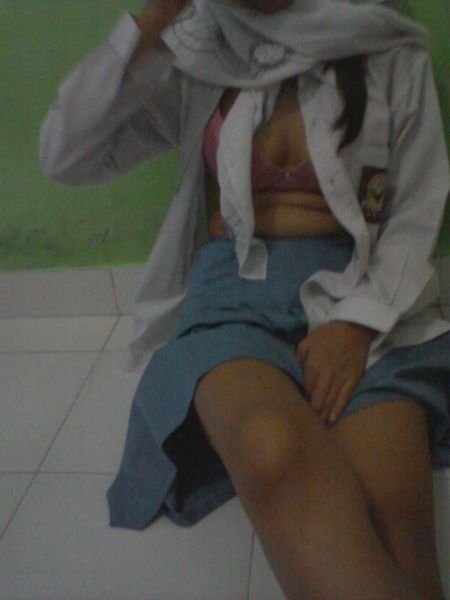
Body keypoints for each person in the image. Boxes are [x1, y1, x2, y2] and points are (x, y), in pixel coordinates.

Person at [39, 0, 450, 598]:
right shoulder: (200, 47)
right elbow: (64, 154)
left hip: (365, 288)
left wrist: (357, 326)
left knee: (392, 498)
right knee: (269, 447)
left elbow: (415, 209)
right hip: (234, 289)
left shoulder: (383, 39)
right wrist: (150, 24)